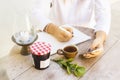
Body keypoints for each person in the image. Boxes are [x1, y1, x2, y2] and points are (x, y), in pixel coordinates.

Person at [29, 0, 111, 58]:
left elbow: (104, 15)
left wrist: (100, 39)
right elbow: (35, 12)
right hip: (56, 37)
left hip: (86, 37)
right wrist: (53, 29)